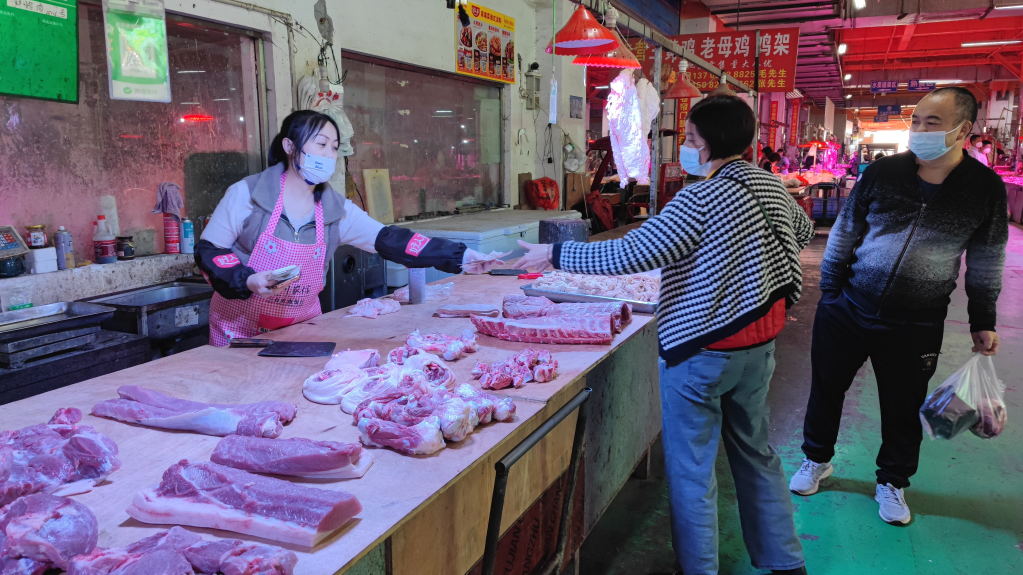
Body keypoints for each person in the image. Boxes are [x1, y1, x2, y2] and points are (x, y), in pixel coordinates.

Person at [516, 95, 814, 575]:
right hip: (758, 347)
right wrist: (741, 268)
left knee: (692, 468)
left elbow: (630, 254)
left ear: (710, 143)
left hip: (703, 350)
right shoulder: (769, 185)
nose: (686, 148)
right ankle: (786, 562)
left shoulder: (701, 197)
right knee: (756, 454)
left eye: (691, 138)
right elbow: (801, 232)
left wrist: (554, 256)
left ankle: (698, 569)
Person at [790, 87, 1007, 525]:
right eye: (916, 121)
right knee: (827, 389)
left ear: (963, 130)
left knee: (904, 406)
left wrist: (983, 319)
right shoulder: (883, 173)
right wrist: (830, 294)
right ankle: (817, 459)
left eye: (933, 123)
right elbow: (845, 232)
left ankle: (892, 480)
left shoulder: (985, 188)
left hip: (916, 322)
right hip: (849, 308)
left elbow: (987, 259)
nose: (920, 130)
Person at [195, 110, 502, 346]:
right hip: (240, 332)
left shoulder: (335, 210)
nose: (328, 155)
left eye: (334, 148)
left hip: (300, 332)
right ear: (289, 146)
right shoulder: (247, 194)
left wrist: (460, 256)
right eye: (320, 144)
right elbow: (210, 251)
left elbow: (390, 239)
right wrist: (247, 279)